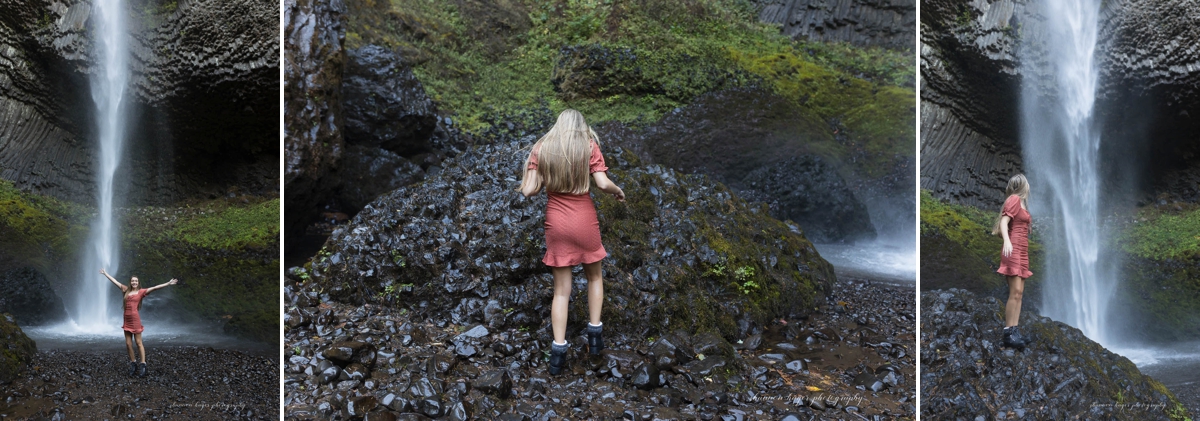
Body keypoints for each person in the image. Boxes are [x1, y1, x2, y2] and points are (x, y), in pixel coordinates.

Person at [518, 109, 625, 375]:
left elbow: (529, 190)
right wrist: (618, 190)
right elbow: (602, 183)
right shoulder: (588, 146)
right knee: (594, 278)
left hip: (556, 221)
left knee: (561, 291)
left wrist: (539, 174)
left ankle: (557, 355)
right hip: (584, 218)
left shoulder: (542, 147)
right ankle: (595, 341)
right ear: (581, 127)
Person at [100, 268, 178, 377]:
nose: (134, 283)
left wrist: (168, 283)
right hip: (126, 319)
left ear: (138, 282)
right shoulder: (125, 290)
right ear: (130, 282)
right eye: (133, 281)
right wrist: (105, 274)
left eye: (136, 281)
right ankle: (133, 363)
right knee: (128, 344)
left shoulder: (141, 292)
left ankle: (143, 364)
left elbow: (155, 288)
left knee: (138, 343)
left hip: (135, 319)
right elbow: (115, 281)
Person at [992, 174, 1033, 349]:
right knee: (1015, 291)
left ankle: (1015, 331)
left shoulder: (1022, 203)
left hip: (1022, 250)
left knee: (1020, 293)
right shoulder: (1014, 199)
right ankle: (1008, 333)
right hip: (1013, 248)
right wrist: (1007, 241)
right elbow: (1004, 221)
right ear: (1024, 185)